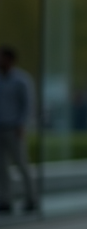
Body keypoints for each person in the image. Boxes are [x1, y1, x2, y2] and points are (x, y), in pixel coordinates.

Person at [0, 46, 38, 214]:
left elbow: (27, 105)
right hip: (1, 127)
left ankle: (31, 198)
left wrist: (22, 124)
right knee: (2, 167)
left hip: (15, 129)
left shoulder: (21, 80)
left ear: (10, 59)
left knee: (22, 164)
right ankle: (5, 200)